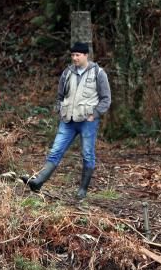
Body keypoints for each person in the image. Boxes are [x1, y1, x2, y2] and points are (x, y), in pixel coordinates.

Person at [26, 42, 112, 199]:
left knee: (87, 154)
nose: (75, 58)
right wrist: (60, 109)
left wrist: (95, 114)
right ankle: (38, 182)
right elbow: (60, 95)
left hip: (88, 121)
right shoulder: (67, 73)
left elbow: (106, 99)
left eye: (78, 55)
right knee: (55, 151)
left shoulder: (98, 73)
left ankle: (82, 190)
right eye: (73, 55)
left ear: (86, 55)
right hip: (67, 121)